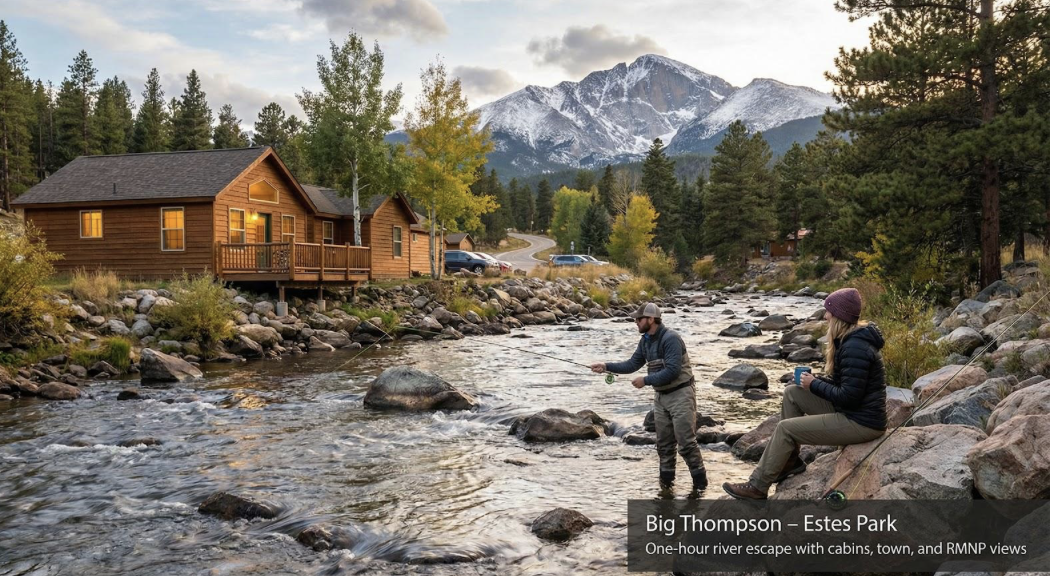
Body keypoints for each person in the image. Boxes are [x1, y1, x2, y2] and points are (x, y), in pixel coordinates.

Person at [723, 287, 887, 500]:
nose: (825, 316)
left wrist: (814, 385)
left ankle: (757, 486)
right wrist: (815, 380)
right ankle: (790, 462)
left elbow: (849, 397)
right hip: (852, 411)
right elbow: (845, 385)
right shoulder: (850, 340)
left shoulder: (855, 347)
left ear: (839, 316)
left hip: (862, 423)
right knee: (793, 392)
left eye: (829, 312)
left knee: (785, 429)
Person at [591, 302, 708, 493]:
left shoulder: (671, 339)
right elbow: (632, 364)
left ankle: (701, 487)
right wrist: (606, 366)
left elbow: (673, 371)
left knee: (686, 444)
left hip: (681, 395)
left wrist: (645, 380)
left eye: (639, 319)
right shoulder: (645, 340)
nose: (636, 322)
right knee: (664, 446)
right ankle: (666, 489)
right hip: (661, 398)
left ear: (651, 319)